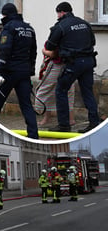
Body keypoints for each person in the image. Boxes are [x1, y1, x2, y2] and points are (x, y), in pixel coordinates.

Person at [46, 2, 100, 133]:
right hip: (88, 61)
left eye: (58, 13)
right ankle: (94, 122)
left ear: (61, 12)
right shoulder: (84, 23)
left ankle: (64, 125)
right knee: (87, 91)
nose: (57, 16)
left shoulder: (61, 26)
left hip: (74, 63)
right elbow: (93, 42)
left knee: (61, 90)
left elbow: (50, 46)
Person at [0, 3, 38, 139]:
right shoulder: (29, 29)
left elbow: (4, 51)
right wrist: (30, 70)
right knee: (26, 105)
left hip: (8, 72)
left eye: (2, 15)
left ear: (6, 14)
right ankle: (33, 135)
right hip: (24, 73)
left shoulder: (8, 28)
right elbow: (33, 52)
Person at [35, 44, 76, 127]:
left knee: (46, 91)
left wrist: (44, 51)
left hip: (57, 65)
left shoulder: (59, 34)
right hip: (70, 65)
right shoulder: (71, 36)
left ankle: (47, 117)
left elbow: (54, 54)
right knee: (68, 91)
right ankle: (70, 119)